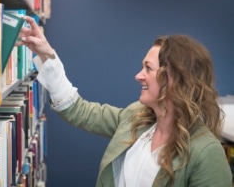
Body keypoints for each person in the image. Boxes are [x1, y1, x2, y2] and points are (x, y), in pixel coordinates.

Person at [16, 16, 233, 187]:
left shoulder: (207, 153)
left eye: (148, 68)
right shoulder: (135, 117)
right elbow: (79, 111)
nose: (138, 76)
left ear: (173, 78)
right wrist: (47, 55)